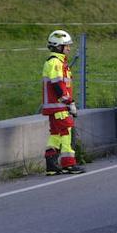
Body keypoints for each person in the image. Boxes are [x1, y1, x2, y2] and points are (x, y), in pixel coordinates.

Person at [41, 29, 85, 175]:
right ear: (58, 47)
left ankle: (51, 166)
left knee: (56, 135)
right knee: (66, 133)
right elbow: (58, 84)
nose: (69, 48)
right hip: (59, 106)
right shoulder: (55, 62)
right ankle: (68, 164)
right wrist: (69, 102)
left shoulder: (58, 62)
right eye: (66, 46)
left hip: (57, 106)